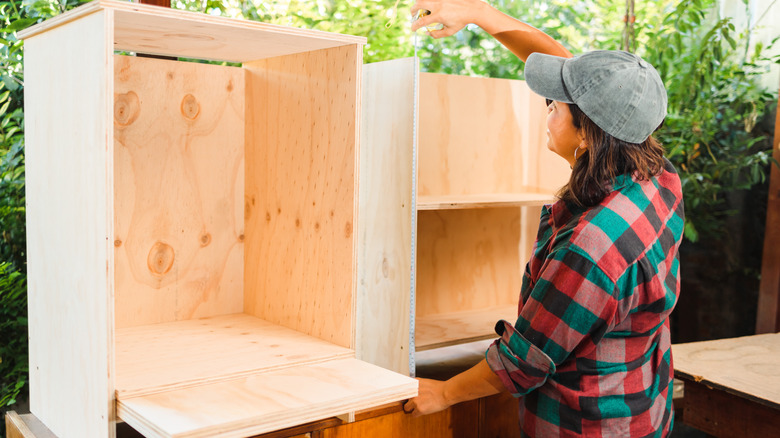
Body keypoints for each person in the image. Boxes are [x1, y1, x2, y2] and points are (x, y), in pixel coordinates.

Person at [404, 1, 684, 437]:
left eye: (555, 105)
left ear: (589, 134)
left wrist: (441, 394)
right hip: (643, 409)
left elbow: (524, 361)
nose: (547, 110)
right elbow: (582, 77)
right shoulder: (659, 179)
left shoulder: (591, 247)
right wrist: (479, 13)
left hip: (585, 427)